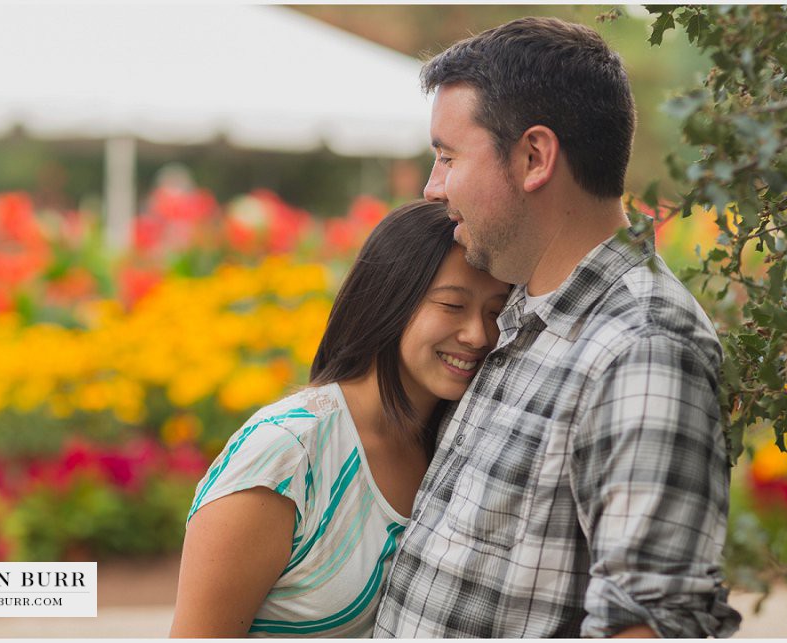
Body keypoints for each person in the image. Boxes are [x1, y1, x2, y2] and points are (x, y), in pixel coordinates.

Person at [373, 17, 742, 638]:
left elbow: (649, 624)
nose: (433, 188)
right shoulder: (520, 313)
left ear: (534, 157)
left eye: (446, 156)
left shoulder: (643, 346)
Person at [169, 200, 510, 638]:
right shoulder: (284, 457)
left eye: (495, 312)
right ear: (391, 301)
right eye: (451, 306)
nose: (478, 335)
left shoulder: (457, 443)